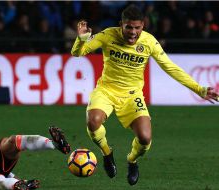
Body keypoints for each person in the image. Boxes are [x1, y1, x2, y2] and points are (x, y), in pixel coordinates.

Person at [71, 4, 219, 186]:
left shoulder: (149, 42)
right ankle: (107, 153)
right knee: (93, 121)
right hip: (106, 90)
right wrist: (81, 39)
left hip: (133, 95)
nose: (133, 32)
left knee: (145, 138)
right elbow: (77, 53)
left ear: (143, 25)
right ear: (121, 25)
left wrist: (199, 89)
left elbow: (170, 68)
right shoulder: (108, 35)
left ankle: (132, 160)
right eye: (129, 27)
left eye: (137, 28)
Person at [0, 127, 70, 189]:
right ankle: (16, 185)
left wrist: (10, 175)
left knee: (11, 141)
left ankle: (55, 144)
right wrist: (15, 179)